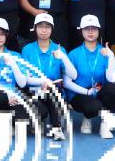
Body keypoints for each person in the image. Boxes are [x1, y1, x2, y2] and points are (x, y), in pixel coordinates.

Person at [65, 14, 115, 138]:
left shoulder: (105, 52)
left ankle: (105, 124)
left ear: (98, 31)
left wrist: (111, 57)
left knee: (112, 89)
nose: (90, 32)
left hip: (100, 91)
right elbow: (67, 83)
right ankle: (87, 117)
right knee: (93, 107)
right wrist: (87, 92)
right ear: (81, 31)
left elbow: (111, 79)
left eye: (94, 28)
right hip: (81, 93)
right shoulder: (73, 54)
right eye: (87, 29)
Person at [20, 13, 76, 141]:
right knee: (40, 110)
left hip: (54, 91)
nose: (44, 30)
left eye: (47, 27)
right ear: (35, 28)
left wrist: (63, 57)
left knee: (53, 90)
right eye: (40, 26)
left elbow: (73, 75)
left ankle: (56, 128)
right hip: (34, 90)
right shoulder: (27, 49)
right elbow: (24, 78)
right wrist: (42, 81)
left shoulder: (59, 49)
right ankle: (38, 121)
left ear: (52, 29)